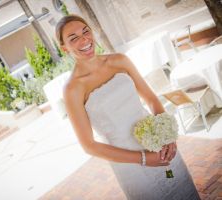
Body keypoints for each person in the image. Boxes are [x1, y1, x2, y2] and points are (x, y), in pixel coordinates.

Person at [56, 14, 200, 200]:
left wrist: (168, 137)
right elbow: (89, 146)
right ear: (64, 48)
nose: (84, 40)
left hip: (161, 147)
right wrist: (144, 159)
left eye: (86, 32)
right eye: (73, 38)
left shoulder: (119, 61)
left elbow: (151, 100)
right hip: (130, 163)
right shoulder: (72, 89)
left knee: (182, 190)